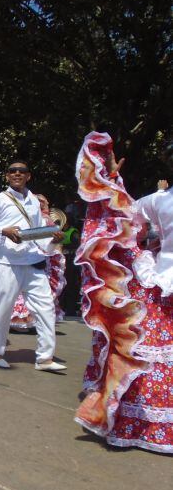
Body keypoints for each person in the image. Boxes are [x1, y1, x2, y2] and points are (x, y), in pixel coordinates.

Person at [74, 133, 172, 453]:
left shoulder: (157, 201)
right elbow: (123, 223)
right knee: (151, 353)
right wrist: (111, 179)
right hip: (164, 282)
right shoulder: (157, 201)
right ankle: (145, 423)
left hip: (163, 278)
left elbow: (130, 226)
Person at [0, 161, 66, 371]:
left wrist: (53, 239)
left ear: (28, 176)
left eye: (22, 171)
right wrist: (4, 231)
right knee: (3, 310)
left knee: (46, 309)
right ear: (7, 176)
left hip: (33, 260)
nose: (17, 173)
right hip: (8, 263)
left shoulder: (34, 201)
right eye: (12, 171)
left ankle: (45, 359)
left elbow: (39, 232)